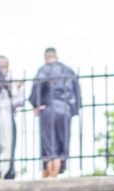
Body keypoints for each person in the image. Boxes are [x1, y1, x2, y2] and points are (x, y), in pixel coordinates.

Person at [28, 47, 81, 178]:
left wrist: (36, 104)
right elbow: (78, 94)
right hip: (65, 110)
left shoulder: (45, 69)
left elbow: (37, 85)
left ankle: (51, 178)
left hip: (49, 109)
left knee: (50, 150)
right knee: (61, 147)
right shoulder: (68, 71)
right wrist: (72, 109)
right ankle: (52, 176)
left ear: (45, 57)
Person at [0, 55, 25, 179]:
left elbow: (20, 101)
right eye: (1, 67)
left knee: (10, 147)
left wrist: (14, 89)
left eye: (5, 67)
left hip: (9, 117)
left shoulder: (13, 81)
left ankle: (9, 173)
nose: (3, 70)